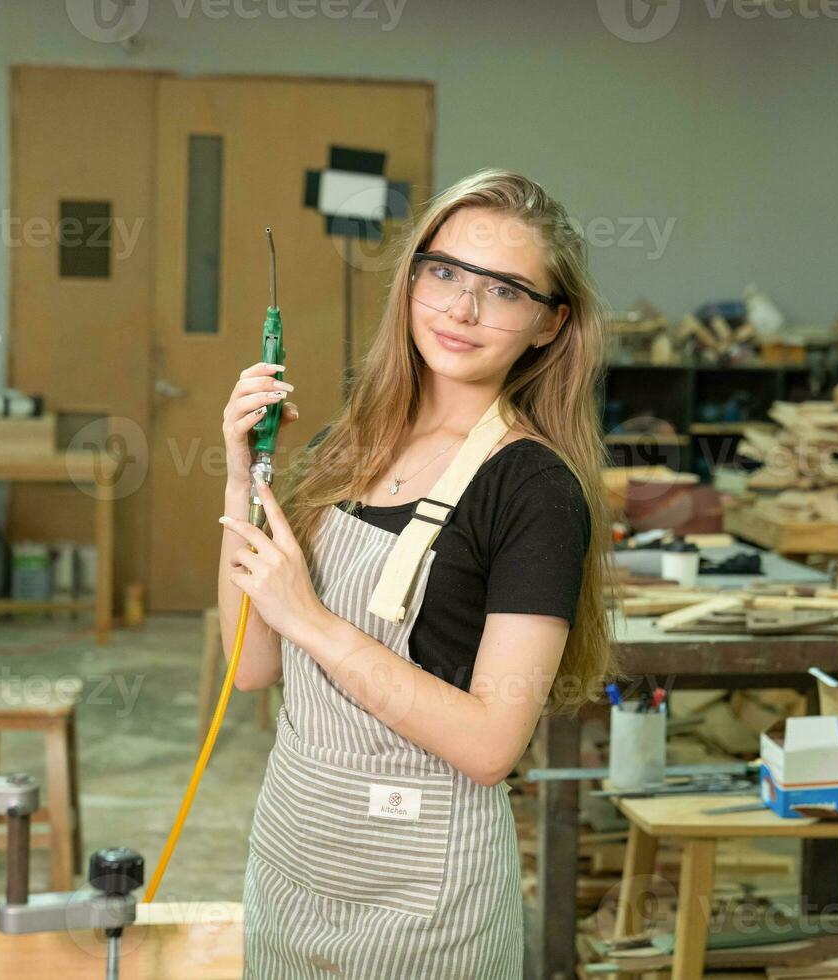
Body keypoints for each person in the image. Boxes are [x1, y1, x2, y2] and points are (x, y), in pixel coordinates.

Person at [216, 169, 614, 977]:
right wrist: (239, 476)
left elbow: (491, 743)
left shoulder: (536, 491)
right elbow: (251, 665)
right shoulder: (349, 442)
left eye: (503, 291)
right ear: (412, 280)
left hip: (423, 901)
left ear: (549, 324)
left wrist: (314, 620)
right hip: (293, 866)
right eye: (445, 274)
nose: (462, 310)